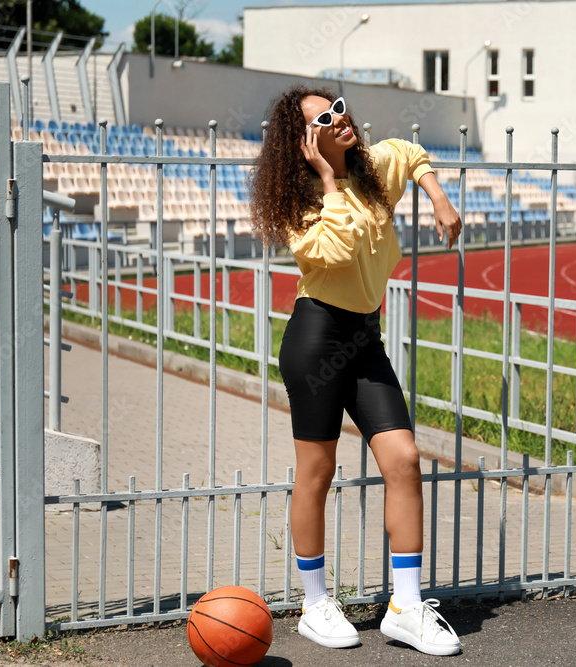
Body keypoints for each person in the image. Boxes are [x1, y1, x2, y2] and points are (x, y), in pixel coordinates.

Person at [249, 85, 463, 656]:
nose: (341, 120)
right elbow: (336, 256)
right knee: (317, 472)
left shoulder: (373, 172)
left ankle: (406, 606)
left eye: (340, 108)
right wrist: (325, 179)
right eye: (325, 119)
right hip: (317, 340)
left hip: (365, 340)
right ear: (304, 143)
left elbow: (410, 154)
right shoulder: (300, 206)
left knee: (404, 458)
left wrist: (437, 196)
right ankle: (315, 603)